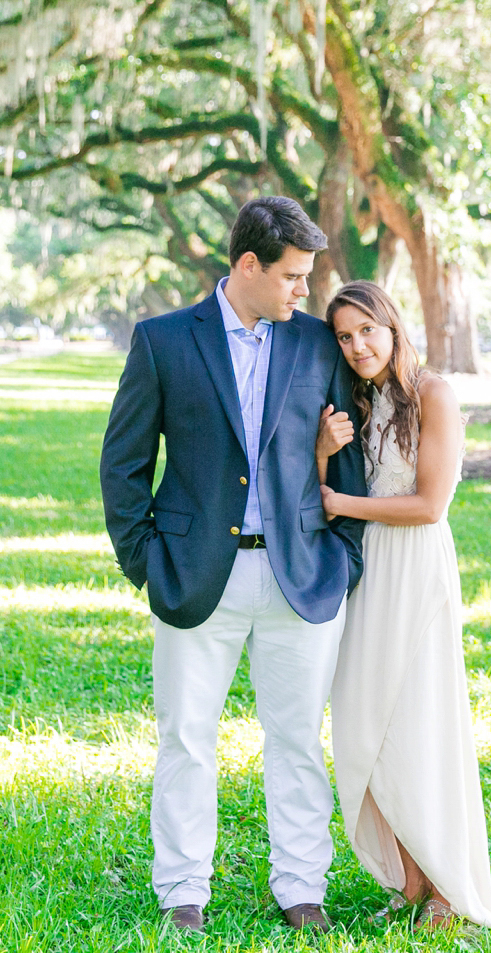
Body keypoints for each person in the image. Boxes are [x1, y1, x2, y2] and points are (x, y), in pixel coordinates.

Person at [99, 196, 368, 936]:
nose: (303, 292)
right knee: (186, 735)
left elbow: (349, 462)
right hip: (194, 575)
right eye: (291, 276)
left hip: (301, 574)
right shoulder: (162, 342)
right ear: (248, 265)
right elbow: (123, 464)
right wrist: (147, 563)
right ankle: (183, 890)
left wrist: (341, 560)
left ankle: (301, 887)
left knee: (296, 739)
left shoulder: (317, 345)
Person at [315, 280, 491, 929]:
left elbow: (429, 504)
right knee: (366, 723)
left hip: (414, 567)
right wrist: (322, 454)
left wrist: (340, 503)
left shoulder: (434, 394)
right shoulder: (355, 403)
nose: (358, 345)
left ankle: (447, 884)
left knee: (419, 720)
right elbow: (318, 483)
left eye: (367, 329)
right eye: (344, 335)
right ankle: (411, 876)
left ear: (393, 327)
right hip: (365, 574)